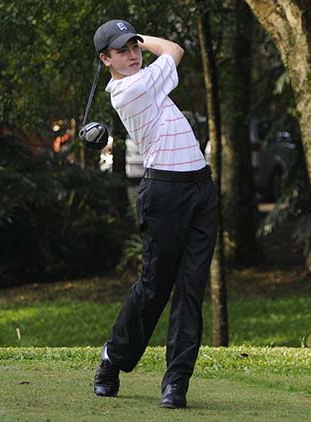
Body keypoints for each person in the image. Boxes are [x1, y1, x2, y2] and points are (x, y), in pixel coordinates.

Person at [90, 19, 219, 410]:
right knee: (154, 287)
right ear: (105, 59)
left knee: (190, 290)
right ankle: (113, 359)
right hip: (164, 193)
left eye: (133, 47)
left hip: (201, 189)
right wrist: (148, 42)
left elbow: (171, 53)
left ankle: (175, 383)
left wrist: (138, 42)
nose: (131, 55)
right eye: (122, 50)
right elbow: (175, 49)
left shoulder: (148, 78)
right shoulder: (131, 89)